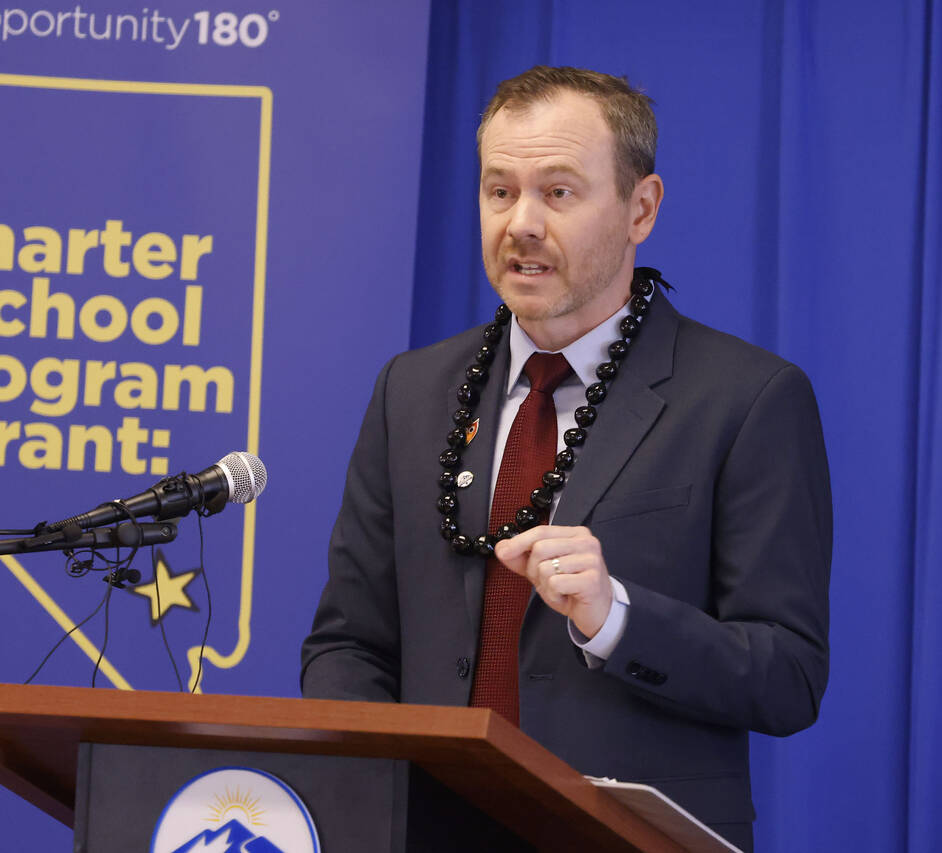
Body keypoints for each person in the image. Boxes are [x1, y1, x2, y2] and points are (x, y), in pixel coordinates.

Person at [300, 65, 832, 851]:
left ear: (640, 208)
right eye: (498, 191)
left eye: (558, 192)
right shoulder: (410, 393)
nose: (520, 223)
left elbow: (788, 675)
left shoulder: (747, 399)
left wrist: (616, 615)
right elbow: (349, 642)